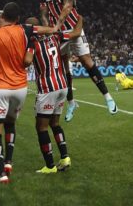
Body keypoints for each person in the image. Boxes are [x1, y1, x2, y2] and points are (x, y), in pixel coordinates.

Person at [0, 2, 58, 184]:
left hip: (0, 88)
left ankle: (2, 173)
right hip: (20, 89)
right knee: (11, 124)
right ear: (17, 18)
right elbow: (50, 30)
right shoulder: (25, 29)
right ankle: (9, 162)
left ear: (2, 16)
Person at [38, 0, 118, 122]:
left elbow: (68, 5)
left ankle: (108, 98)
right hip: (56, 33)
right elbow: (44, 13)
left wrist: (57, 26)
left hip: (73, 28)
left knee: (87, 61)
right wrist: (48, 29)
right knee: (64, 68)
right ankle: (71, 102)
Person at [24, 16, 82, 173]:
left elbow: (27, 62)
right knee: (55, 124)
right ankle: (64, 157)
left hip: (47, 88)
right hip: (62, 86)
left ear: (32, 29)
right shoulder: (56, 36)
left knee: (41, 127)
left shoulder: (31, 43)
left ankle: (50, 166)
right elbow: (76, 33)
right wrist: (79, 18)